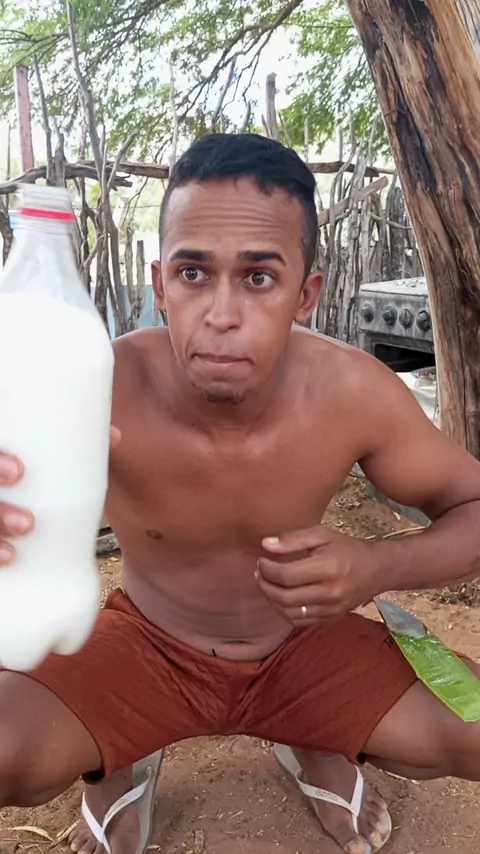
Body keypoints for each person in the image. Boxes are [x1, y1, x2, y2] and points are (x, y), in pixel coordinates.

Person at [1, 133, 480, 854]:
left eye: (258, 277)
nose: (221, 313)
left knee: (472, 732)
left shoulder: (355, 393)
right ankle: (118, 757)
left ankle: (315, 735)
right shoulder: (93, 384)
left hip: (302, 643)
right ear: (160, 284)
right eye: (194, 273)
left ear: (306, 294)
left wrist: (378, 566)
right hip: (144, 646)